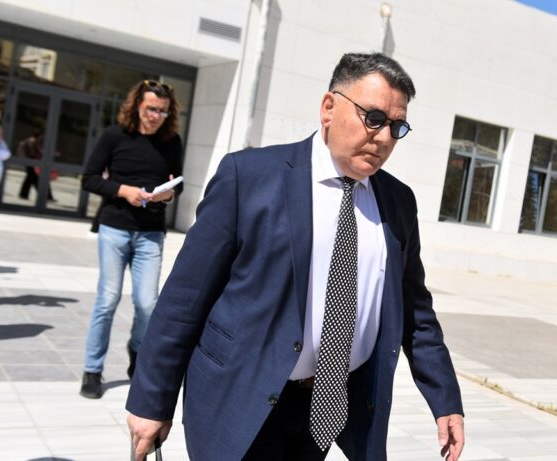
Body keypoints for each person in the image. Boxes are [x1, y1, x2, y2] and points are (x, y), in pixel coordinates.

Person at [126, 52, 465, 461]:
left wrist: (445, 397)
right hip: (239, 399)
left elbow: (415, 311)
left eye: (397, 126)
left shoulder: (398, 202)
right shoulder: (248, 176)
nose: (384, 138)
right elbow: (185, 298)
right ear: (329, 107)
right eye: (374, 118)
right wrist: (151, 400)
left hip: (324, 410)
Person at [79, 80, 183, 399]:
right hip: (114, 228)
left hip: (151, 232)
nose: (156, 116)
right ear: (138, 105)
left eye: (162, 111)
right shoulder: (115, 135)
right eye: (151, 109)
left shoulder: (172, 141)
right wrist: (124, 191)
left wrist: (166, 195)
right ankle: (92, 369)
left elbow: (177, 184)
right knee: (108, 299)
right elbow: (89, 179)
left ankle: (137, 351)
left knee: (147, 303)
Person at [17, 132, 54, 201]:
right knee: (36, 179)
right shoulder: (32, 141)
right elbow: (33, 152)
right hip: (32, 162)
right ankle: (46, 196)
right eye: (41, 136)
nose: (41, 138)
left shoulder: (29, 141)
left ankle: (23, 194)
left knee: (30, 180)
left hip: (29, 162)